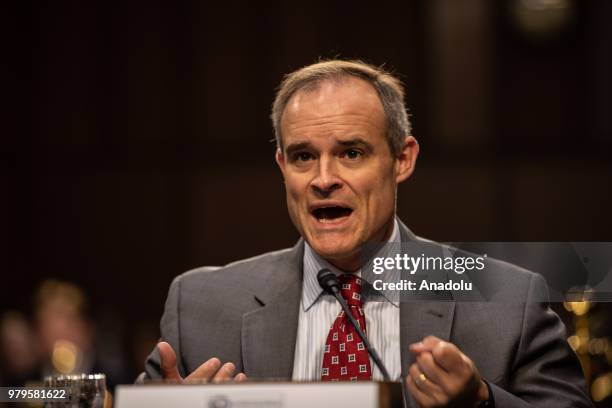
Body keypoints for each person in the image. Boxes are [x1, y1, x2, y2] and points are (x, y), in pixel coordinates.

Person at [143, 60, 592, 407]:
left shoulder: (506, 299)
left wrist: (481, 401)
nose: (323, 178)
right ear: (283, 168)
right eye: (302, 157)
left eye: (351, 153)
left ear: (402, 159)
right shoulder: (199, 305)